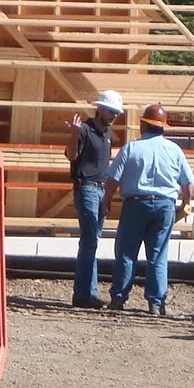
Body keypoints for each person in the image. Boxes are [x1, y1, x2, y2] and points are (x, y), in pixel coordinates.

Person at [104, 102, 194, 314]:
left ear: (143, 125)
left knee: (126, 253)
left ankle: (118, 298)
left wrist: (106, 200)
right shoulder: (175, 150)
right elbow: (188, 185)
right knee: (158, 255)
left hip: (136, 204)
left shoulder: (131, 148)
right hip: (165, 206)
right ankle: (156, 303)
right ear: (163, 127)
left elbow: (112, 179)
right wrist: (187, 204)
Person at [64, 90, 123, 308]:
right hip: (87, 188)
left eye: (116, 112)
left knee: (92, 241)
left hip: (99, 189)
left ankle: (88, 292)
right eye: (111, 111)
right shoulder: (84, 131)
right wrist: (73, 134)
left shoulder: (106, 134)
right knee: (90, 241)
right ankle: (83, 294)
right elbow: (71, 156)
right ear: (99, 108)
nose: (114, 115)